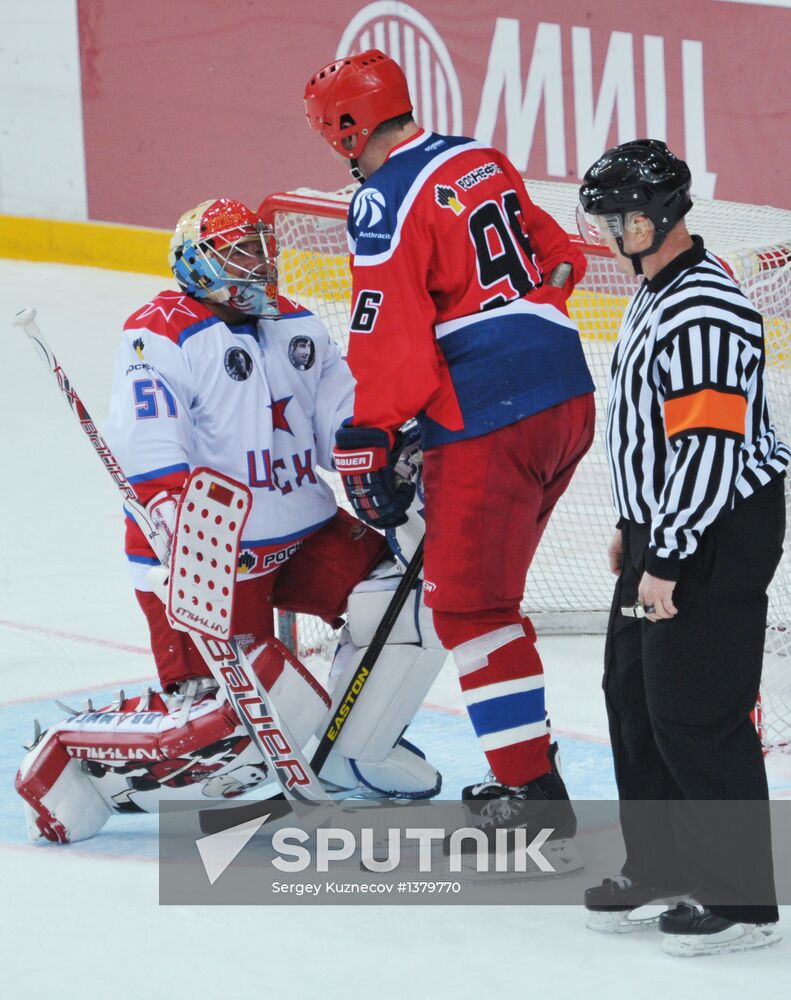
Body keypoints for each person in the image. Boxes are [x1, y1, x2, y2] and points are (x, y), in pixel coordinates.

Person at [15, 198, 447, 844]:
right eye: (241, 252)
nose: (261, 263)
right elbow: (146, 432)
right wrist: (171, 510)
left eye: (261, 249)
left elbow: (339, 421)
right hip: (206, 549)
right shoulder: (159, 329)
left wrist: (383, 452)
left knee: (414, 605)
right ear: (197, 262)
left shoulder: (297, 325)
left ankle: (356, 749)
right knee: (239, 728)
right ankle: (85, 759)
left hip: (300, 528)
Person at [303, 50, 596, 848]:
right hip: (567, 393)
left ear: (347, 128)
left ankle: (527, 789)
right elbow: (555, 251)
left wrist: (369, 432)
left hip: (491, 413)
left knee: (470, 607)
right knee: (484, 598)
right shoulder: (476, 155)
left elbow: (387, 327)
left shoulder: (382, 198)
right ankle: (526, 766)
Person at [577, 140, 788, 954]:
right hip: (666, 524)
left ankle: (743, 903)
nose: (602, 233)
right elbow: (653, 432)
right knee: (633, 698)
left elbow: (708, 448)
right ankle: (661, 865)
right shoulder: (656, 288)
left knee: (696, 713)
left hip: (709, 533)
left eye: (613, 218)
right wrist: (636, 526)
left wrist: (665, 556)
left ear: (652, 217)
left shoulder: (703, 308)